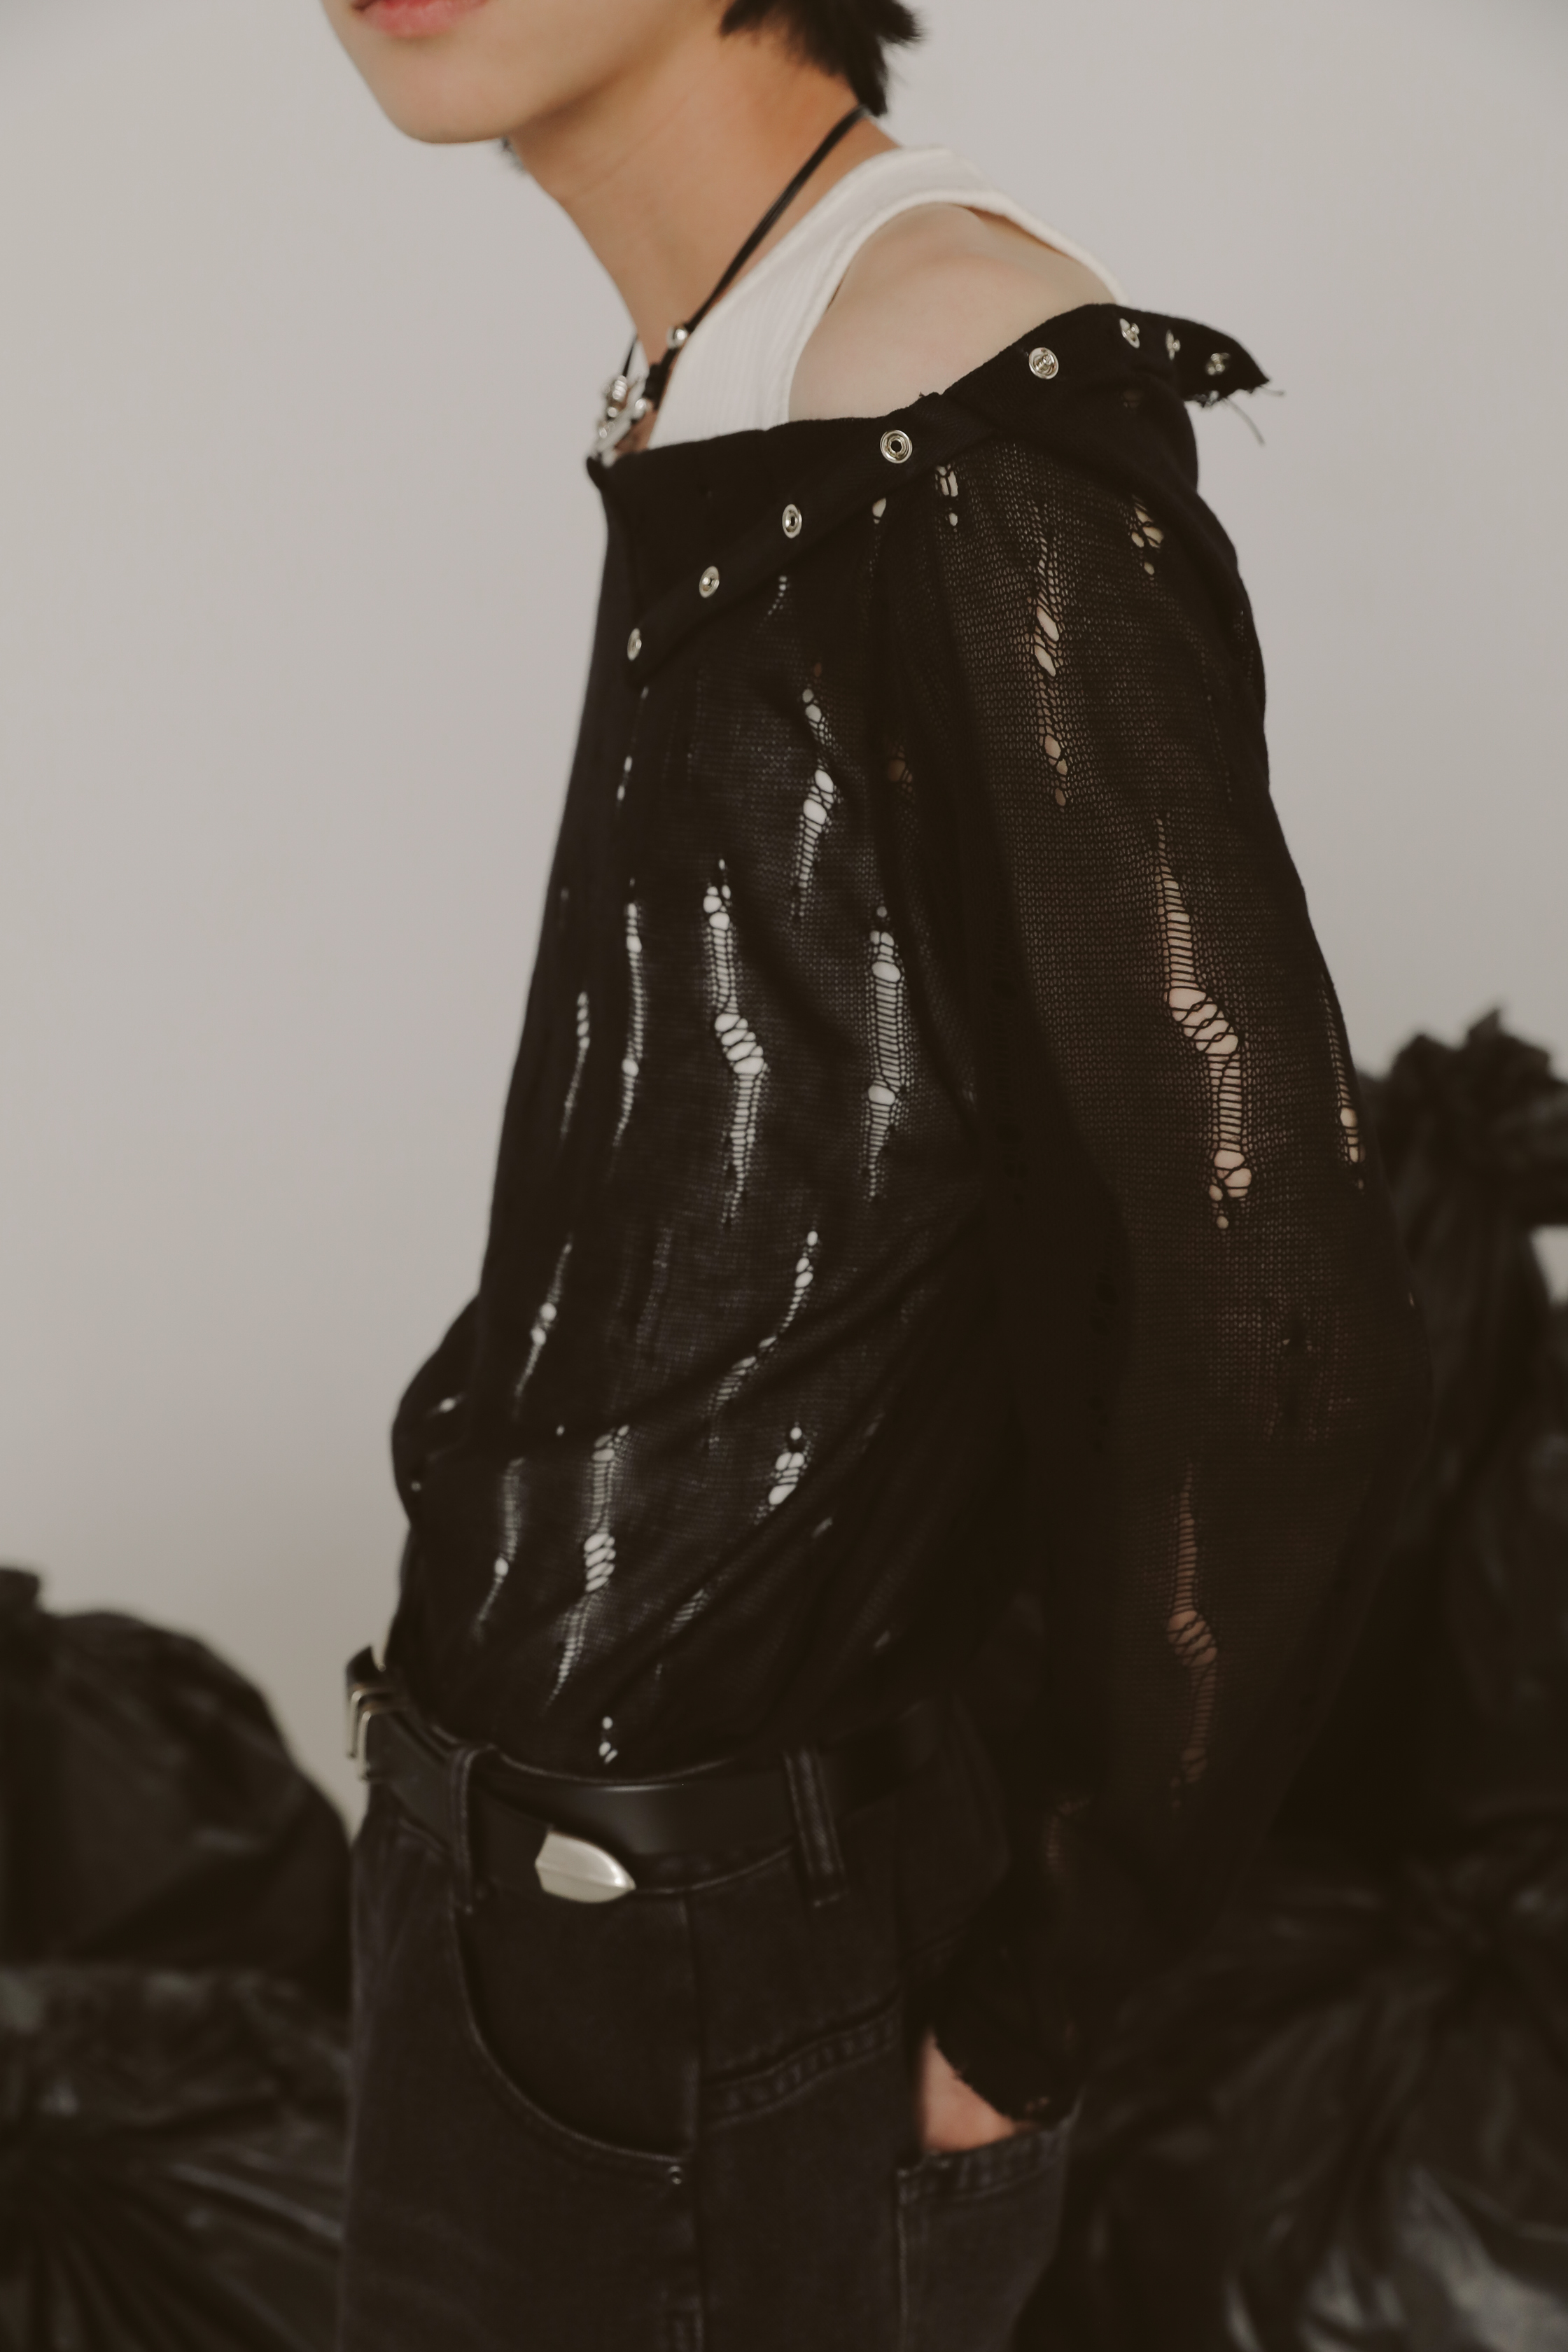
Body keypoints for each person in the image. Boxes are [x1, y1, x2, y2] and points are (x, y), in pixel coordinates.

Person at [320, 1, 1431, 2345]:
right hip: (541, 1902)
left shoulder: (953, 411)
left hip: (716, 1971)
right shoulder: (761, 366)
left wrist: (1039, 2001)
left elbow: (1277, 1309)